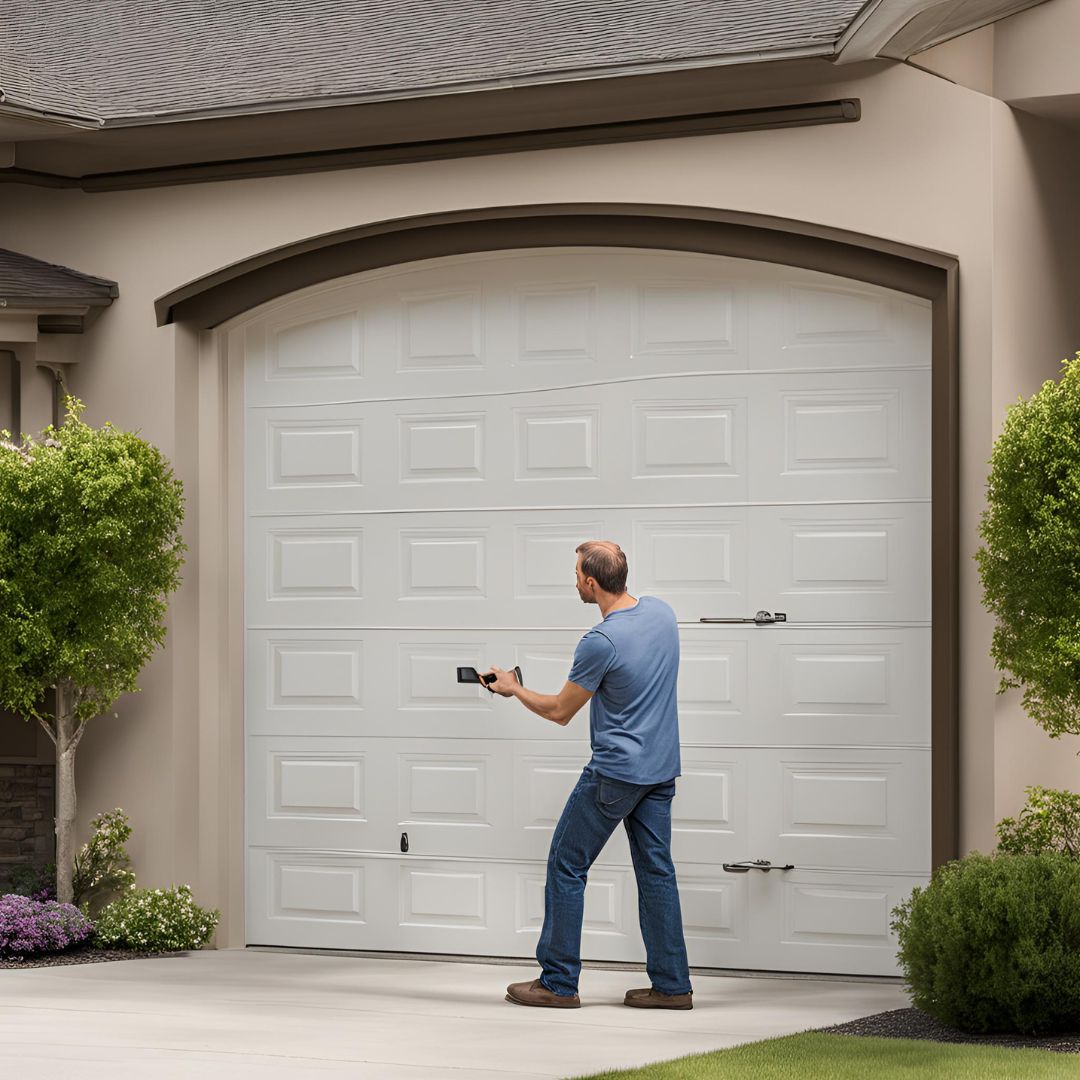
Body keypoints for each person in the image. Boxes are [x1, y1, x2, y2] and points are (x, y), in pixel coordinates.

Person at [483, 540, 693, 1010]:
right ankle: (673, 985)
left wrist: (513, 688)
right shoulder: (662, 613)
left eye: (577, 573)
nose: (574, 580)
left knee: (566, 864)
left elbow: (560, 711)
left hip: (616, 774)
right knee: (657, 874)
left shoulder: (600, 642)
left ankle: (557, 983)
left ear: (592, 582)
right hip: (660, 770)